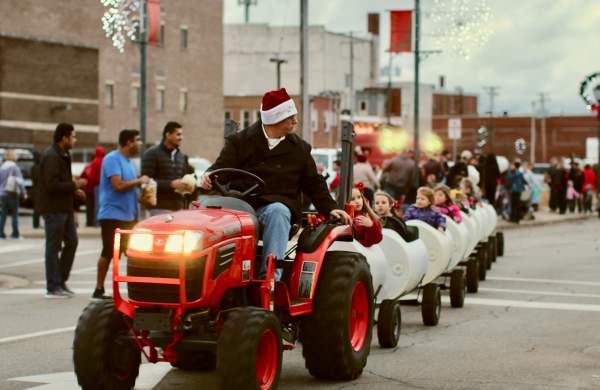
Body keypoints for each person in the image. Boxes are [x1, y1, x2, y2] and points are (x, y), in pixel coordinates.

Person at [200, 88, 351, 278]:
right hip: (241, 206)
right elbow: (220, 169)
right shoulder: (240, 141)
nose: (296, 121)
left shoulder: (299, 149)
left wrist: (330, 208)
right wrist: (208, 177)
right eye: (291, 117)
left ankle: (270, 278)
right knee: (203, 210)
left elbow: (314, 182)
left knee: (278, 211)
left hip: (273, 208)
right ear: (275, 120)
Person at [92, 130, 149, 300]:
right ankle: (99, 288)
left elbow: (131, 189)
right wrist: (139, 181)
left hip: (129, 216)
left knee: (134, 254)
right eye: (137, 141)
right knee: (108, 251)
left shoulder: (130, 163)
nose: (140, 144)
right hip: (112, 214)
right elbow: (118, 185)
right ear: (129, 142)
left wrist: (144, 197)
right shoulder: (112, 159)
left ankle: (137, 292)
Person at [38, 123, 87, 298]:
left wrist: (74, 190)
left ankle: (60, 280)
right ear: (64, 138)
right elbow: (51, 185)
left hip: (64, 207)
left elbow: (61, 182)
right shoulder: (52, 156)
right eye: (73, 136)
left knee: (72, 242)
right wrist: (74, 184)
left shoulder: (64, 155)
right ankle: (53, 286)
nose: (75, 140)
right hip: (53, 209)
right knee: (53, 247)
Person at [142, 121, 194, 216]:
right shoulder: (151, 154)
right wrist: (171, 184)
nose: (181, 138)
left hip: (178, 208)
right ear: (168, 135)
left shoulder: (181, 156)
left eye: (181, 135)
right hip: (158, 208)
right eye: (178, 134)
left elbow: (184, 179)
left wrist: (188, 185)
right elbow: (146, 182)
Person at [0, 150, 27, 239]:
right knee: (14, 214)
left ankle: (1, 234)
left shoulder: (2, 167)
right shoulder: (14, 167)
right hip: (12, 193)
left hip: (2, 194)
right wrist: (24, 192)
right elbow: (19, 181)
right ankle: (15, 234)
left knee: (3, 214)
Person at [349, 183, 382, 247]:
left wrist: (371, 225)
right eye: (352, 199)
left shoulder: (365, 216)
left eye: (359, 197)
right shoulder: (343, 216)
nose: (357, 201)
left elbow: (377, 239)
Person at [81, 146, 105, 226]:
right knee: (102, 204)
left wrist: (89, 188)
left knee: (96, 205)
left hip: (96, 186)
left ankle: (96, 222)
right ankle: (100, 221)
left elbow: (91, 176)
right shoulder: (105, 161)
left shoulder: (95, 162)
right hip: (104, 186)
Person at [31, 150, 42, 229]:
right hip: (40, 190)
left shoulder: (33, 167)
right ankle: (36, 224)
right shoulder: (41, 167)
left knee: (36, 207)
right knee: (38, 208)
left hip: (35, 189)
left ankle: (36, 223)